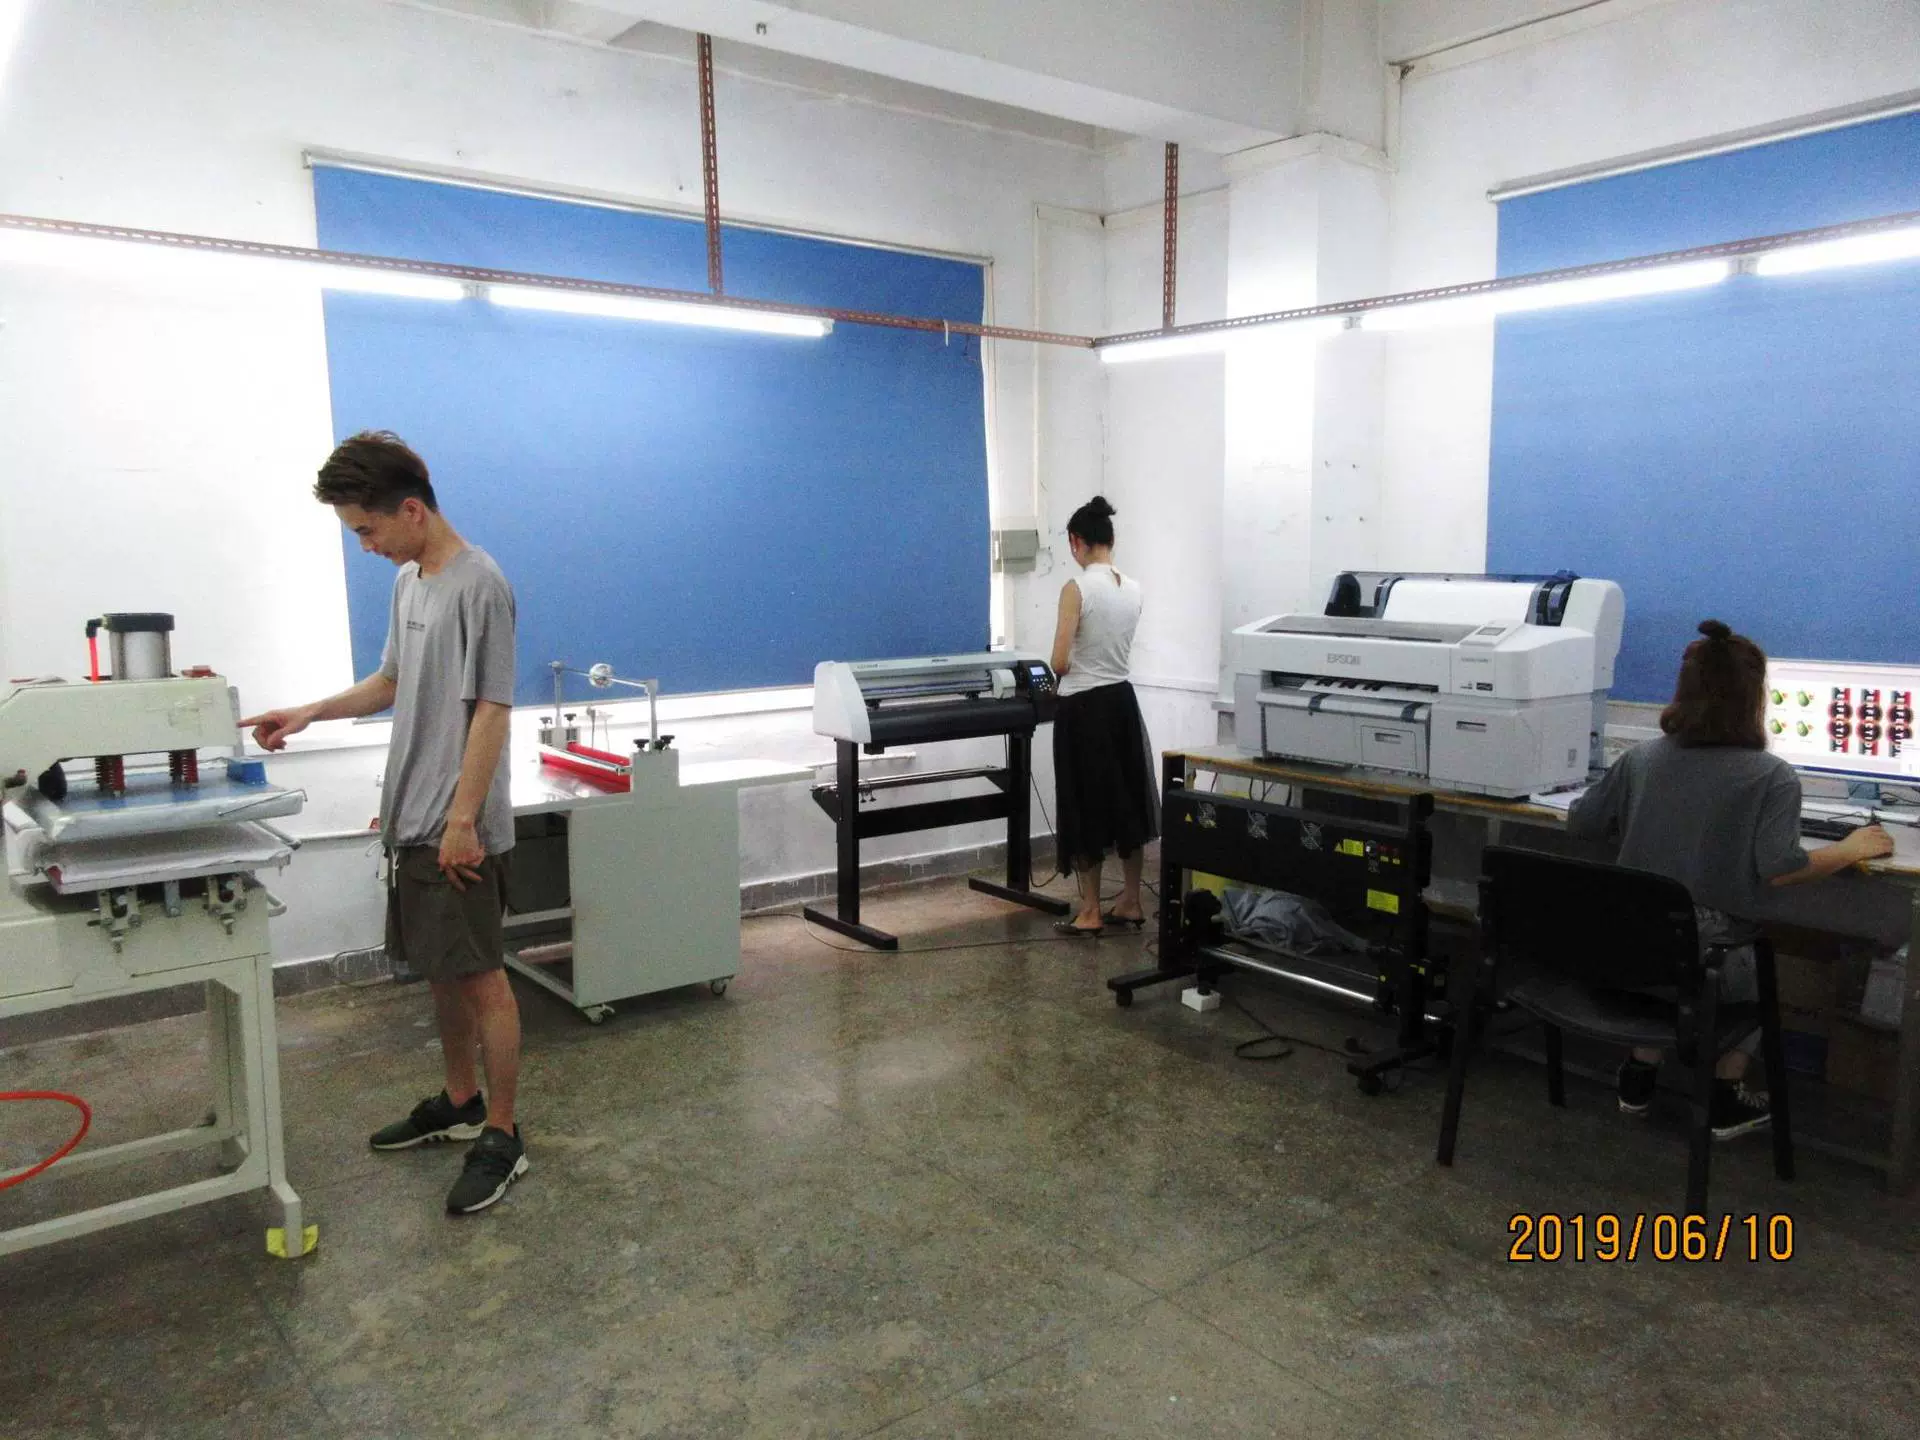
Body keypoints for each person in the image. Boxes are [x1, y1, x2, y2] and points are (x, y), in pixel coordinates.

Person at [241, 432, 529, 1215]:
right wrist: (309, 711)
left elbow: (493, 709)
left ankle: (503, 1134)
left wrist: (462, 820)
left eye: (367, 530)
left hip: (456, 827)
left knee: (482, 976)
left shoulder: (480, 584)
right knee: (442, 969)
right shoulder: (410, 582)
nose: (365, 546)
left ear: (411, 510)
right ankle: (460, 1100)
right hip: (414, 819)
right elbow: (392, 682)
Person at [1567, 618, 1893, 1139]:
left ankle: (1639, 1073)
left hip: (1627, 945)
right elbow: (1781, 869)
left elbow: (1584, 823)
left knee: (1665, 934)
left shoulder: (1640, 759)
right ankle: (1723, 1094)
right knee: (1753, 955)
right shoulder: (1771, 776)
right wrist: (1849, 848)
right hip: (1708, 959)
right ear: (1754, 699)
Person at [1048, 495, 1158, 936]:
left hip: (1083, 708)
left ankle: (1091, 910)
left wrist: (1064, 667)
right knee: (1128, 801)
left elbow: (1059, 661)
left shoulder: (1076, 589)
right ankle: (1131, 901)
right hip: (1121, 704)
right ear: (1110, 540)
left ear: (1076, 542)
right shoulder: (1134, 589)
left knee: (1085, 805)